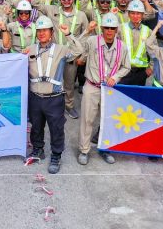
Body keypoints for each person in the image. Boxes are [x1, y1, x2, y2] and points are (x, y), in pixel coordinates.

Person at [25, 16, 83, 174]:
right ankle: (38, 150)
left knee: (56, 128)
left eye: (45, 30)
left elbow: (79, 50)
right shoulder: (29, 49)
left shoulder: (61, 49)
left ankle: (56, 155)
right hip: (35, 97)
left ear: (51, 32)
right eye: (39, 30)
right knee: (36, 127)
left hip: (54, 98)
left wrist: (69, 34)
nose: (42, 33)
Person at [78, 12, 129, 165]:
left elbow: (127, 66)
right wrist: (86, 31)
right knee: (87, 119)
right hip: (92, 86)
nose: (109, 31)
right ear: (101, 28)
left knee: (108, 120)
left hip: (110, 89)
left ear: (116, 30)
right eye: (106, 28)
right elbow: (76, 46)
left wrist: (116, 77)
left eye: (112, 28)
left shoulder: (122, 47)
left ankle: (105, 149)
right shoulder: (93, 41)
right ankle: (84, 150)